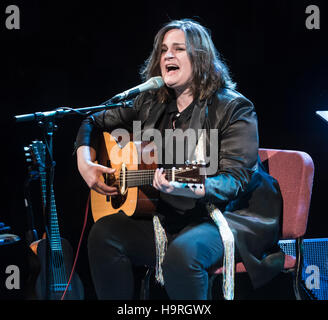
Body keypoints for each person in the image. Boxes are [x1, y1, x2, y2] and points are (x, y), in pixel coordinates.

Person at [75, 19, 284, 300]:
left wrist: (192, 186)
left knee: (183, 254)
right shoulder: (150, 103)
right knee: (104, 235)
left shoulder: (234, 107)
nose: (168, 56)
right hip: (174, 215)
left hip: (232, 215)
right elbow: (92, 120)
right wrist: (85, 162)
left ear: (200, 57)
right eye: (163, 50)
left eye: (178, 49)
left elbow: (235, 180)